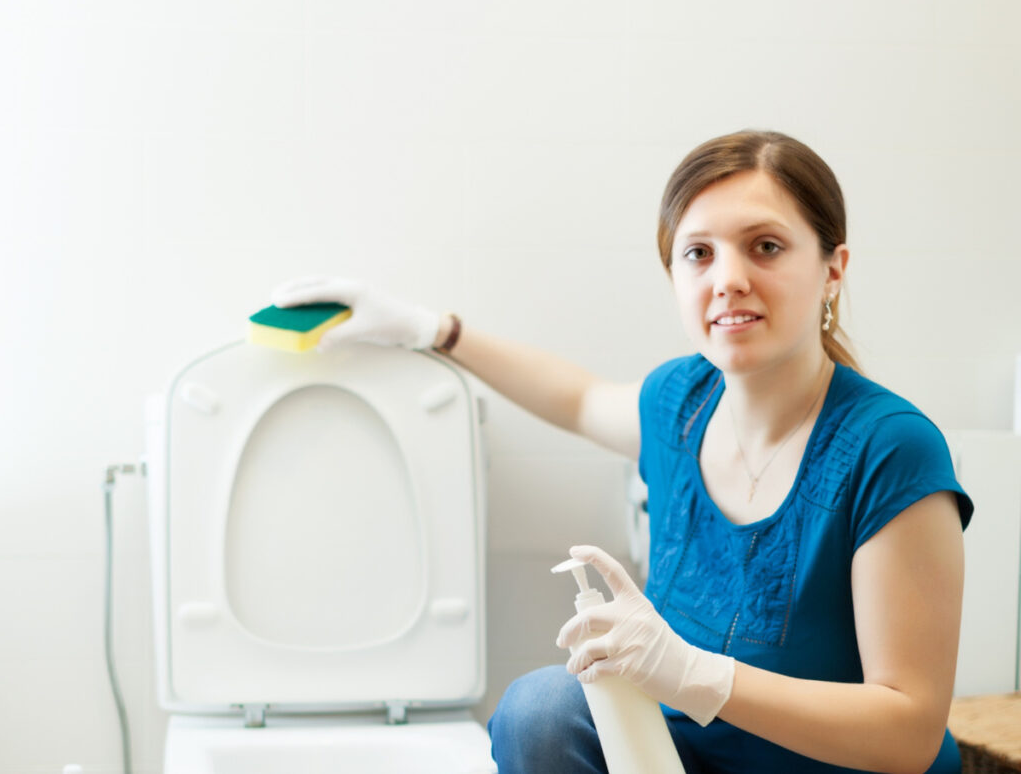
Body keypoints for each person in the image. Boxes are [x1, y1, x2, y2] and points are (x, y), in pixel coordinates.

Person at [271, 130, 973, 774]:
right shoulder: (683, 403)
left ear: (833, 268)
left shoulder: (891, 449)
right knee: (540, 711)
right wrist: (432, 330)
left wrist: (697, 675)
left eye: (765, 246)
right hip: (686, 756)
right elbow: (577, 399)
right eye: (698, 252)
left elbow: (908, 728)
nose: (727, 277)